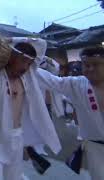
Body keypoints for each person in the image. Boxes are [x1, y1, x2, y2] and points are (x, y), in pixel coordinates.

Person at [0, 38, 61, 180]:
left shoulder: (27, 78)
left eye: (29, 63)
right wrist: (8, 43)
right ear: (11, 56)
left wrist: (24, 144)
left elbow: (41, 44)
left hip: (17, 137)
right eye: (23, 61)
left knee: (14, 177)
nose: (26, 67)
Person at [37, 46, 104, 180]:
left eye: (96, 64)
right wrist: (27, 64)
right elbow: (51, 80)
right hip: (94, 147)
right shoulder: (77, 84)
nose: (90, 68)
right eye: (86, 65)